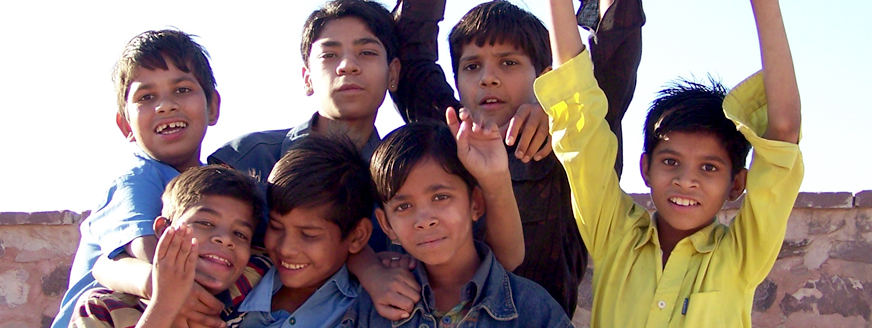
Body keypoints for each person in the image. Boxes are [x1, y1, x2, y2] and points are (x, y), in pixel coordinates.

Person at [209, 0, 525, 320]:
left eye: (367, 52)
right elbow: (197, 233)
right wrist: (368, 267)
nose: (348, 65)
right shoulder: (248, 159)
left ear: (394, 74)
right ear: (306, 77)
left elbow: (499, 260)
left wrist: (495, 178)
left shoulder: (405, 172)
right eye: (330, 54)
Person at [538, 0, 803, 326]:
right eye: (671, 161)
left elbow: (784, 131)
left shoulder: (739, 257)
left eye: (709, 167)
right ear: (645, 167)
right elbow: (577, 114)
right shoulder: (615, 236)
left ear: (736, 184)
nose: (686, 180)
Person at [391, 0, 641, 315]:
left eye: (508, 63)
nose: (488, 78)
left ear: (545, 75)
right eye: (471, 66)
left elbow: (615, 56)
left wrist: (555, 112)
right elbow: (412, 55)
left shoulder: (571, 149)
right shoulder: (446, 134)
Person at [53, 29, 222, 328]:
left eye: (182, 89)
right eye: (147, 96)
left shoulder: (214, 185)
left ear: (213, 106)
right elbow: (149, 256)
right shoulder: (136, 177)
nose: (165, 105)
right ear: (125, 125)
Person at [340, 112, 571, 327]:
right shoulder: (373, 310)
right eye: (404, 206)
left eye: (440, 197)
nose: (424, 220)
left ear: (475, 204)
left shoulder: (533, 309)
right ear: (386, 224)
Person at [70, 166, 270, 328]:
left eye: (240, 234)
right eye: (205, 223)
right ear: (163, 229)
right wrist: (164, 306)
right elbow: (104, 266)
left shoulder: (251, 284)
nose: (225, 239)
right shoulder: (102, 309)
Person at [233, 135, 374, 328]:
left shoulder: (367, 310)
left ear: (357, 236)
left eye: (309, 235)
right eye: (276, 226)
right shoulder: (236, 276)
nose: (286, 249)